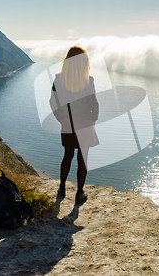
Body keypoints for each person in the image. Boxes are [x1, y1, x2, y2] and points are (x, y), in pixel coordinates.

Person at [50, 46, 99, 205]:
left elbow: (53, 103)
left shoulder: (58, 79)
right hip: (85, 123)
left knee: (68, 155)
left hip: (68, 123)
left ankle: (62, 189)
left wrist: (62, 119)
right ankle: (79, 193)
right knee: (82, 158)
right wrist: (93, 119)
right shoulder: (88, 80)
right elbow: (94, 104)